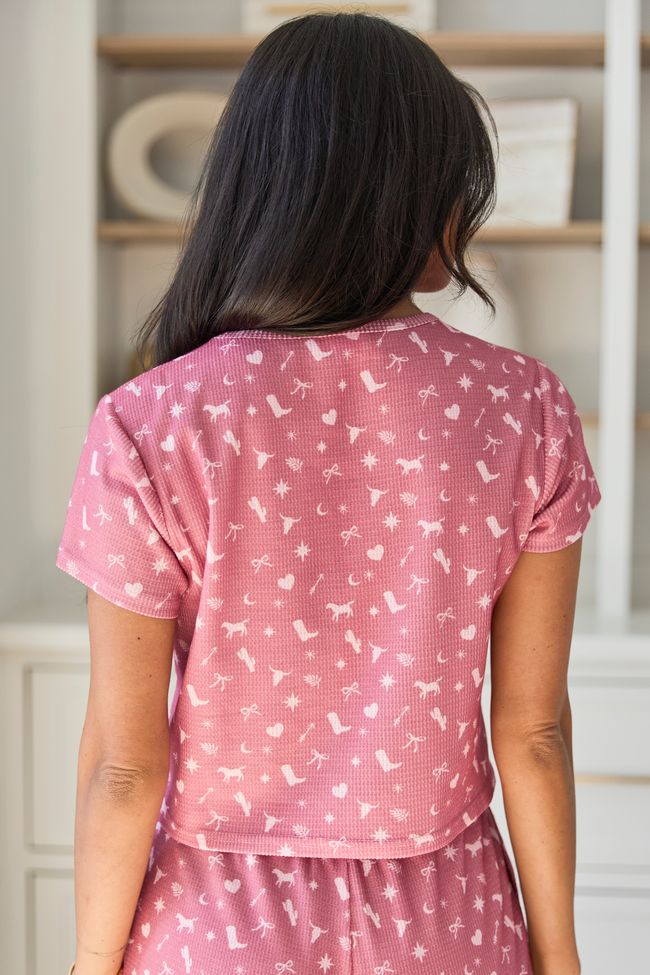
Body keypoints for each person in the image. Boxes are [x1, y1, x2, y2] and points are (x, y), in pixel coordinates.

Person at [58, 12, 599, 975]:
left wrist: (90, 962)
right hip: (453, 924)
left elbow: (124, 765)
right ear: (412, 196)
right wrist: (559, 959)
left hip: (216, 930)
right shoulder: (524, 408)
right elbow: (536, 734)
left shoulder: (152, 421)